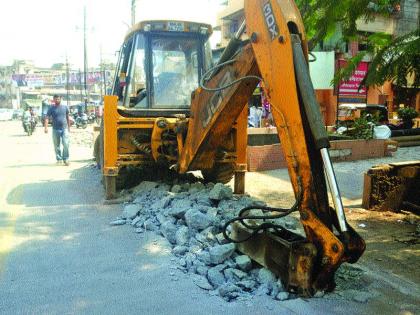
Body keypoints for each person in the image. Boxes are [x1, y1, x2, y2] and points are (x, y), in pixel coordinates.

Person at [44, 95, 71, 165]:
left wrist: (69, 127)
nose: (57, 100)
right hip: (55, 129)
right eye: (56, 99)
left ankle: (66, 159)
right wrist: (46, 127)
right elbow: (47, 118)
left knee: (66, 144)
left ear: (60, 99)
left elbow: (68, 117)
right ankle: (59, 159)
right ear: (53, 100)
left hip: (64, 128)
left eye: (58, 99)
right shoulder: (51, 108)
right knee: (56, 145)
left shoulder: (65, 107)